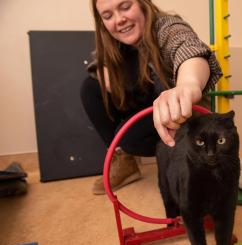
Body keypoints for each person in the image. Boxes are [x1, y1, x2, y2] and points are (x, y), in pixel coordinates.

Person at [81, 0, 222, 195]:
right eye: (108, 16)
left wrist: (187, 85)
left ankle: (187, 159)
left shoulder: (166, 26)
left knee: (127, 135)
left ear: (142, 4)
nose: (119, 20)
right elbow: (97, 62)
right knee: (91, 87)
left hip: (180, 117)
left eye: (125, 7)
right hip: (146, 104)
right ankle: (123, 160)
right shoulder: (112, 42)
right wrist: (102, 69)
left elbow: (186, 46)